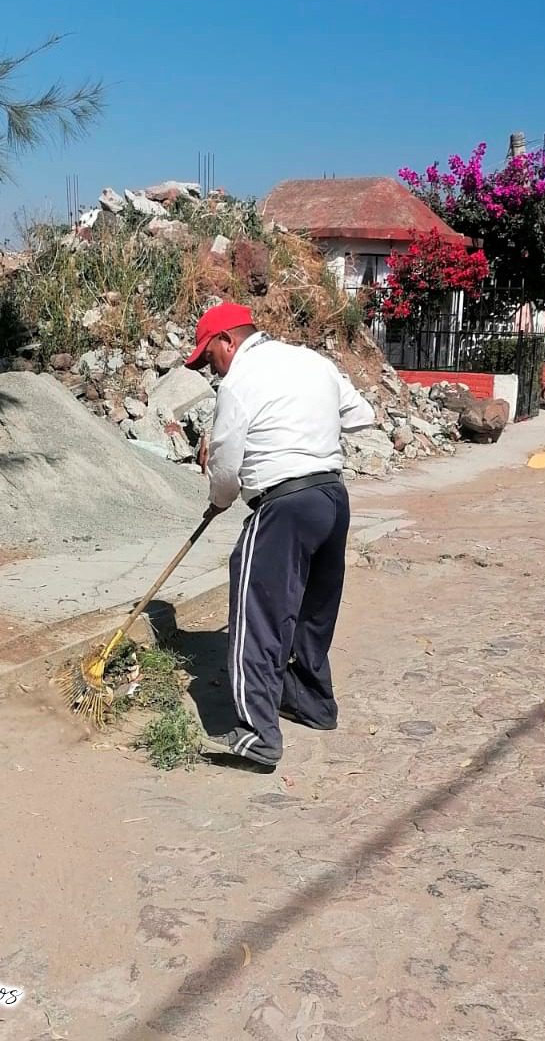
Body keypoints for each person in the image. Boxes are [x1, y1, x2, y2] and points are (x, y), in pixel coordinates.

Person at [185, 301, 375, 768]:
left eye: (210, 355)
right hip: (331, 498)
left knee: (259, 617)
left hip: (283, 504)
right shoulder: (314, 362)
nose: (211, 367)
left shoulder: (240, 381)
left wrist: (221, 498)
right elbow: (361, 415)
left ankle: (257, 736)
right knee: (312, 610)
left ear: (228, 340)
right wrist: (308, 423)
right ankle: (312, 703)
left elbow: (227, 459)